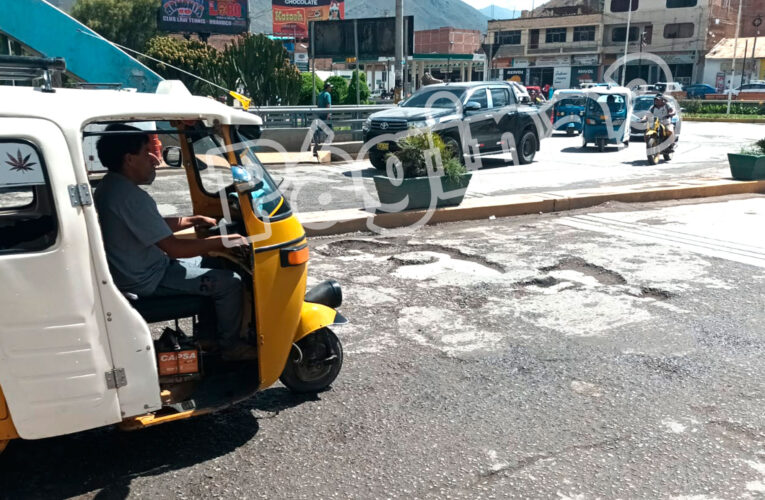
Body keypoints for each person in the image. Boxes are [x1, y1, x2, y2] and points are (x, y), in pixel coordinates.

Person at [93, 123, 257, 361]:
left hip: (141, 269)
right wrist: (222, 242)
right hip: (149, 279)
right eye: (147, 152)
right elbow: (175, 249)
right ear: (129, 159)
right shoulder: (132, 198)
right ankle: (230, 347)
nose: (154, 160)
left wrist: (192, 220)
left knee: (213, 261)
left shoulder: (111, 187)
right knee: (231, 282)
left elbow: (150, 226)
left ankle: (209, 337)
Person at [314, 82, 333, 156]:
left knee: (320, 129)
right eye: (330, 87)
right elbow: (328, 104)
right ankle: (327, 145)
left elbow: (318, 105)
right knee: (330, 131)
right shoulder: (327, 94)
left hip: (320, 114)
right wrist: (328, 114)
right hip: (326, 115)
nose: (331, 88)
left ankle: (317, 143)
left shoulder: (320, 94)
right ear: (327, 88)